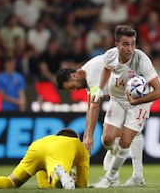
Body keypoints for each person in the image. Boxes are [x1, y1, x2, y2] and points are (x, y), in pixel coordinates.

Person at [91, 25, 160, 188]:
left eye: (133, 44)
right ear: (117, 44)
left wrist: (136, 102)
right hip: (117, 99)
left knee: (126, 139)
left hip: (140, 101)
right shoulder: (110, 55)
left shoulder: (141, 60)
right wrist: (100, 89)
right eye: (126, 44)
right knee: (107, 140)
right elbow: (106, 69)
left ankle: (110, 177)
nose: (130, 48)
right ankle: (129, 169)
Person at [56, 55, 147, 187]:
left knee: (132, 132)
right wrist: (87, 135)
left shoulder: (92, 72)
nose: (75, 90)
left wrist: (89, 136)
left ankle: (136, 176)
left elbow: (95, 106)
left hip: (139, 89)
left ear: (74, 76)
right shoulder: (88, 80)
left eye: (72, 87)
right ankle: (114, 156)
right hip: (121, 97)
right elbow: (90, 108)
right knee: (107, 139)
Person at [0, 128, 89, 190]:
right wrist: (74, 179)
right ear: (76, 138)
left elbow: (43, 186)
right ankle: (60, 175)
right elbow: (83, 185)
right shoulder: (78, 145)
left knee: (12, 181)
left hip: (36, 146)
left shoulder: (48, 140)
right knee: (56, 175)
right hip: (59, 152)